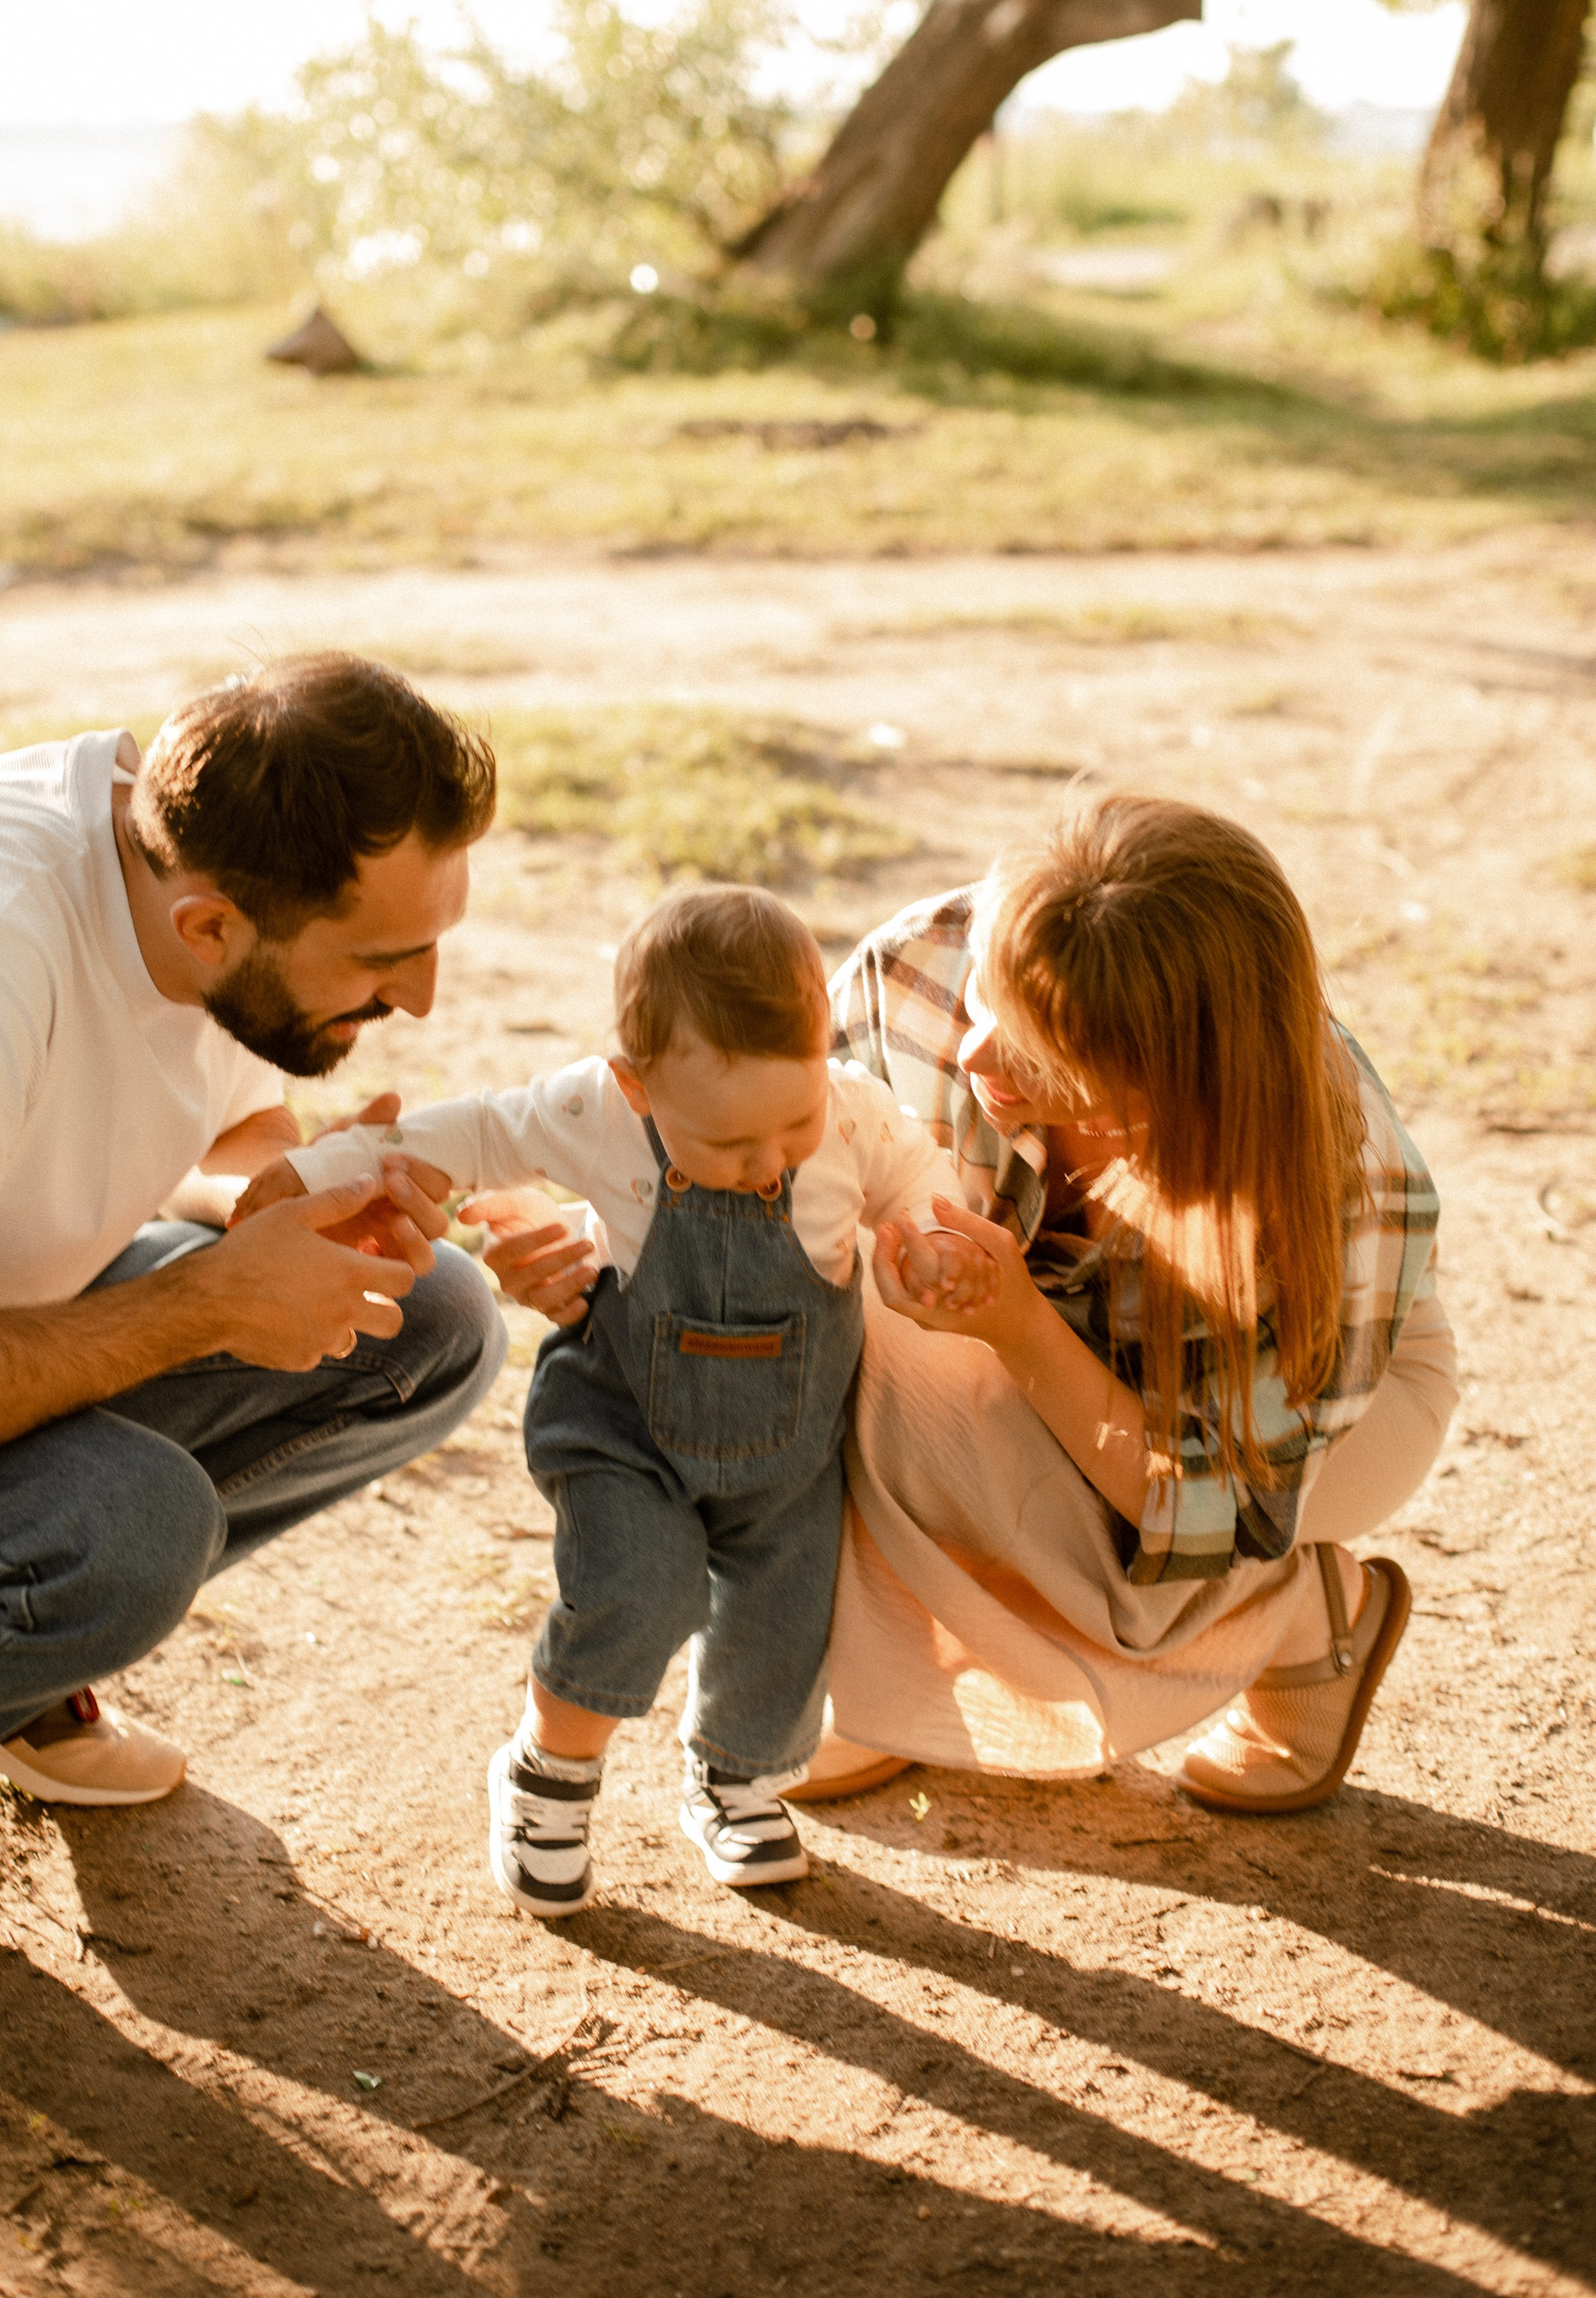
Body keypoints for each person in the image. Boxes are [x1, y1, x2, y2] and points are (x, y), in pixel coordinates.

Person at [0, 655, 509, 1965]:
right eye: (386, 959)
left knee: (433, 1321)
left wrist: (294, 1199)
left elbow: (236, 1132)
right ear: (209, 929)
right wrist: (199, 1307)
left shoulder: (199, 851)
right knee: (126, 1522)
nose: (421, 1000)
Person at [248, 886, 965, 1911]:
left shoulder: (851, 1115)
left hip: (791, 1451)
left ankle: (735, 1777)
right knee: (639, 1587)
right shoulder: (596, 1112)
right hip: (625, 1423)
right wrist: (320, 1168)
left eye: (793, 1123)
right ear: (638, 1086)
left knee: (785, 1614)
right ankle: (550, 1769)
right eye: (727, 1144)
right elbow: (464, 1137)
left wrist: (932, 1242)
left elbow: (922, 1187)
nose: (767, 1160)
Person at [799, 793, 1452, 1812]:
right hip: (1042, 1344)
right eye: (985, 1004)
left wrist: (1014, 1320)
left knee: (1116, 1567)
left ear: (1168, 1088)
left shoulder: (1338, 1178)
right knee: (831, 1336)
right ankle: (881, 1673)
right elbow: (762, 1168)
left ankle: (1302, 1617)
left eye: (1037, 1060)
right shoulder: (917, 970)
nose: (974, 1061)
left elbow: (1204, 1506)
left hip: (1289, 1423)